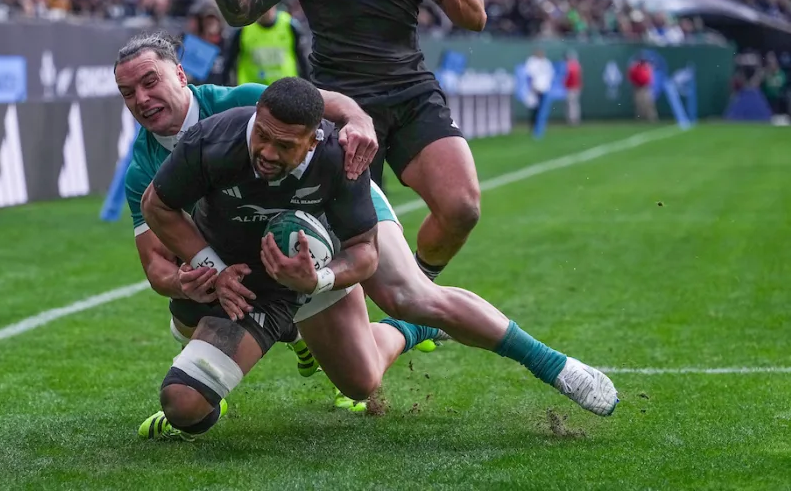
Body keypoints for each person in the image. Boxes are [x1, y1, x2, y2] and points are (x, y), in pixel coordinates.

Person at [116, 34, 619, 439]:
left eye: (150, 81)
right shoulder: (151, 166)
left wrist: (359, 120)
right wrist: (198, 276)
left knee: (408, 296)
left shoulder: (247, 106)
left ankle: (550, 364)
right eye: (128, 92)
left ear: (180, 74)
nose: (142, 98)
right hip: (249, 254)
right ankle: (212, 387)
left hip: (332, 208)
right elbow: (156, 262)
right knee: (184, 321)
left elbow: (322, 105)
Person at [192, 0, 488, 283]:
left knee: (462, 208)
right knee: (351, 242)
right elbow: (242, 10)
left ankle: (418, 291)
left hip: (411, 93)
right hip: (340, 105)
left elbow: (476, 17)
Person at [209, 5, 311, 86]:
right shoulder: (243, 29)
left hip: (285, 89)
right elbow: (229, 62)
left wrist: (308, 85)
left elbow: (302, 60)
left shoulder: (289, 25)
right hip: (252, 91)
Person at [525, 49, 555, 130]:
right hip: (534, 89)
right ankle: (534, 127)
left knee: (543, 110)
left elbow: (550, 75)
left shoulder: (546, 62)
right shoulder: (531, 62)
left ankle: (540, 128)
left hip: (545, 89)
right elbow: (529, 76)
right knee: (534, 109)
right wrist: (533, 87)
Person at [564, 50, 582, 126]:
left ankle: (573, 120)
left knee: (571, 104)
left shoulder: (571, 66)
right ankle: (573, 119)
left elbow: (569, 78)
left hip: (571, 88)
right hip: (574, 87)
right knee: (573, 104)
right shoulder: (576, 65)